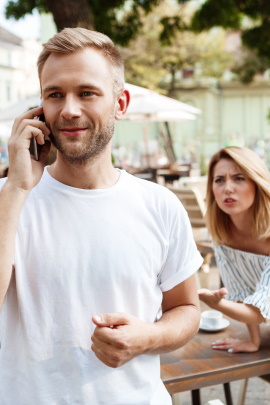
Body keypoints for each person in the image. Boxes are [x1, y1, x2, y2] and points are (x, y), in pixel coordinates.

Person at [0, 28, 203, 404]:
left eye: (87, 92)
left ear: (120, 104)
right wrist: (14, 190)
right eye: (54, 94)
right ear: (38, 108)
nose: (69, 109)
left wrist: (148, 337)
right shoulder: (8, 201)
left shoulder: (160, 204)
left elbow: (187, 308)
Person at [198, 146, 270, 353]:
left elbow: (258, 312)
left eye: (239, 178)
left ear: (256, 183)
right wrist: (253, 341)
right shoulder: (221, 235)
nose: (227, 188)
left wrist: (216, 304)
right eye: (219, 180)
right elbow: (241, 293)